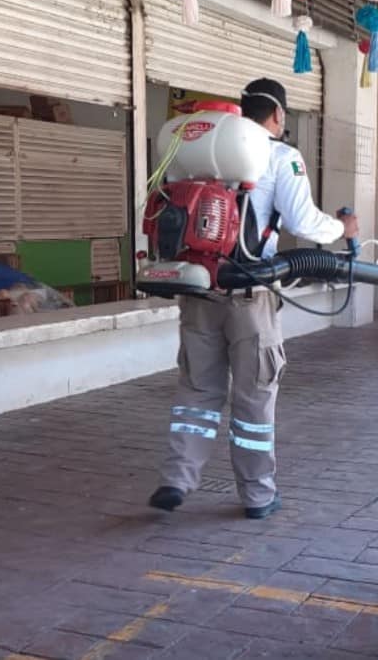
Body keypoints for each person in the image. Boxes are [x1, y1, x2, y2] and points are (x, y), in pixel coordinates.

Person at [149, 78, 359, 519]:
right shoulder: (279, 155)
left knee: (196, 391)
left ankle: (177, 479)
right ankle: (258, 495)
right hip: (251, 295)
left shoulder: (191, 153)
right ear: (278, 115)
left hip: (198, 288)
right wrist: (344, 230)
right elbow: (304, 223)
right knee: (253, 399)